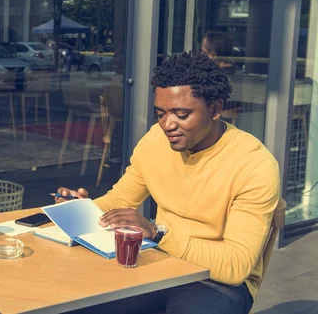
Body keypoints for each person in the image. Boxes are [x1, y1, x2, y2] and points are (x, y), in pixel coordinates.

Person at [57, 52, 279, 314]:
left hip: (215, 282)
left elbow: (235, 266)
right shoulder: (155, 141)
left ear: (216, 109)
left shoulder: (255, 164)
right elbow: (118, 202)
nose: (167, 124)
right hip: (157, 262)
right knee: (67, 303)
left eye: (181, 114)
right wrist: (82, 207)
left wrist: (158, 233)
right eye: (160, 113)